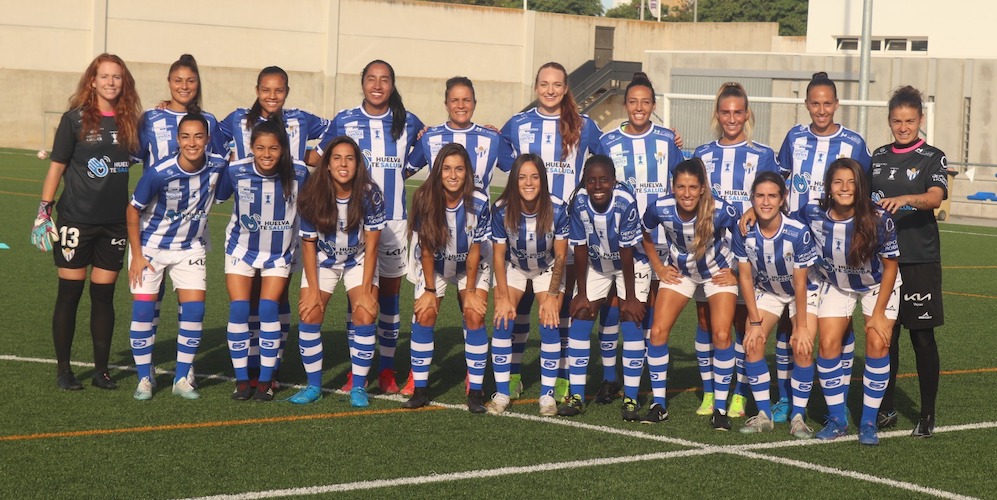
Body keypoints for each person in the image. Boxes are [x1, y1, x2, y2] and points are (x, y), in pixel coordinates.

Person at [763, 72, 873, 423]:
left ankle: (832, 400)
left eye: (827, 103)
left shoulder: (854, 142)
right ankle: (786, 397)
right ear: (807, 104)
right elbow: (780, 179)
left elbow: (865, 191)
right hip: (795, 244)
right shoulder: (795, 136)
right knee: (789, 322)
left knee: (839, 324)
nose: (821, 109)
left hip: (836, 245)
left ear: (836, 105)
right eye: (815, 103)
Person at [213, 66, 329, 388]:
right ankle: (250, 365)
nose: (272, 96)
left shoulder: (300, 120)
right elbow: (210, 132)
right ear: (257, 90)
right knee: (248, 301)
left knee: (276, 302)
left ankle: (272, 364)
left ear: (287, 92)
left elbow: (337, 128)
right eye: (266, 90)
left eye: (279, 90)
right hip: (248, 232)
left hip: (284, 234)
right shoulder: (237, 120)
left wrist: (312, 156)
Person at [32, 53, 142, 390]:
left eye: (117, 77)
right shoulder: (74, 120)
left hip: (114, 225)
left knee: (104, 297)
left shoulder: (130, 123)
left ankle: (101, 371)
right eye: (104, 76)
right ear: (92, 81)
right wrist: (43, 210)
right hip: (75, 222)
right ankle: (64, 371)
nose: (111, 82)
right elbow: (57, 167)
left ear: (124, 82)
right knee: (70, 294)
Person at [317, 60, 424, 395]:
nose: (377, 85)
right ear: (362, 82)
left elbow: (423, 154)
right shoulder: (345, 120)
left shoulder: (408, 121)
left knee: (389, 299)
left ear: (393, 84)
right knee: (357, 298)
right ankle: (356, 370)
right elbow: (321, 157)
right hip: (350, 222)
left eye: (385, 80)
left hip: (392, 223)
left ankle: (387, 369)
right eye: (371, 79)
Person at [500, 62, 603, 403]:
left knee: (559, 307)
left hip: (567, 229)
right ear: (535, 87)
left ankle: (559, 375)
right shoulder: (518, 123)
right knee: (520, 308)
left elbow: (606, 160)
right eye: (544, 84)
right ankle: (513, 375)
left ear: (565, 88)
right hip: (525, 229)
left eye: (557, 84)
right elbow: (500, 157)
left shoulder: (583, 126)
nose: (550, 90)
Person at [598, 72, 684, 415]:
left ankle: (644, 375)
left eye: (645, 102)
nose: (638, 108)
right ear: (625, 104)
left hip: (661, 241)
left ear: (653, 105)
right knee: (614, 306)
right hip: (618, 240)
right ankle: (609, 377)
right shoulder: (607, 141)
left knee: (648, 310)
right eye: (632, 102)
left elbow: (684, 181)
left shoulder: (667, 140)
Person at [798, 158, 900, 446]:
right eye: (838, 181)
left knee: (877, 342)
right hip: (836, 284)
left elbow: (891, 266)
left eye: (852, 182)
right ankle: (838, 419)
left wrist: (879, 313)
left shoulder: (879, 218)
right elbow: (781, 217)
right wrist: (753, 214)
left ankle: (868, 421)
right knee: (828, 345)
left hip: (877, 286)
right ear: (829, 186)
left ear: (861, 186)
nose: (845, 188)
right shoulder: (812, 213)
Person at [693, 82, 779, 418]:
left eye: (738, 112)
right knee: (706, 324)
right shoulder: (701, 154)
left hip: (747, 257)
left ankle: (740, 395)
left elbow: (772, 199)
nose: (732, 118)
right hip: (708, 255)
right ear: (717, 114)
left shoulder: (763, 155)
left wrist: (753, 211)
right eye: (726, 112)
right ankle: (711, 394)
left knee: (744, 325)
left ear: (747, 114)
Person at [127, 113, 227, 400]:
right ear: (178, 140)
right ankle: (145, 377)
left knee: (194, 311)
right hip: (150, 248)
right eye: (186, 137)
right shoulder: (159, 171)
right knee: (143, 312)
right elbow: (132, 210)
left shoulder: (219, 166)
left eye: (198, 136)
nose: (192, 143)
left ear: (208, 139)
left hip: (190, 248)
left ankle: (182, 377)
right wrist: (136, 255)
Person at [136, 54, 219, 387]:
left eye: (191, 80)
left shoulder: (210, 121)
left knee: (191, 305)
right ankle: (147, 371)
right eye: (178, 80)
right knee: (148, 306)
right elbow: (130, 157)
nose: (184, 87)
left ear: (198, 84)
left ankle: (186, 371)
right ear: (169, 83)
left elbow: (225, 160)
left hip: (191, 228)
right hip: (152, 228)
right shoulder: (150, 118)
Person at [641, 158, 741, 429]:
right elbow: (644, 231)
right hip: (681, 272)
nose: (686, 193)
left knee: (721, 334)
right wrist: (659, 267)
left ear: (702, 189)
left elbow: (744, 233)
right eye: (681, 187)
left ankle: (719, 409)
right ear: (672, 187)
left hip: (716, 272)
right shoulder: (660, 207)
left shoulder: (720, 209)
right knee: (658, 331)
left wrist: (736, 272)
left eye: (692, 187)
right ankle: (658, 404)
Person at [870, 86, 947, 437]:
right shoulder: (878, 155)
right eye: (897, 121)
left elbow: (935, 199)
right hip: (883, 261)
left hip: (918, 259)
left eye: (910, 121)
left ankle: (927, 414)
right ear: (889, 120)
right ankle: (885, 408)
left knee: (922, 339)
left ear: (921, 119)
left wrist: (905, 199)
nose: (903, 127)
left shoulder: (932, 157)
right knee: (887, 337)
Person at [216, 118, 309, 401]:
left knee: (269, 310)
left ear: (283, 150)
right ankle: (242, 380)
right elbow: (219, 196)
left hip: (278, 254)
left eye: (273, 148)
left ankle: (266, 381)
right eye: (259, 148)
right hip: (240, 250)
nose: (266, 154)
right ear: (251, 148)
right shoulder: (235, 171)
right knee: (239, 311)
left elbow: (310, 209)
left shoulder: (300, 173)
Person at [291, 136, 385, 407]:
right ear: (327, 165)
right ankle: (313, 386)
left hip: (359, 259)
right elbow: (308, 245)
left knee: (365, 313)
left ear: (358, 164)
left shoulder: (370, 193)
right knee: (309, 312)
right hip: (323, 259)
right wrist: (310, 288)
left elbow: (373, 244)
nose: (343, 164)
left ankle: (358, 387)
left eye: (350, 158)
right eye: (337, 158)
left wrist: (367, 291)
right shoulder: (312, 193)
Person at [559, 154, 650, 420]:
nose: (598, 185)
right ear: (584, 182)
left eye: (603, 180)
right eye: (591, 180)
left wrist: (630, 298)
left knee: (631, 319)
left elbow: (626, 250)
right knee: (581, 316)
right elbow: (581, 247)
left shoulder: (625, 202)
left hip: (630, 265)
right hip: (597, 263)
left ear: (613, 181)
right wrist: (583, 294)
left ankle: (631, 399)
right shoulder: (578, 202)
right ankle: (576, 395)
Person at [403, 143, 491, 413]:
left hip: (470, 265)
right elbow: (427, 250)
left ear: (468, 173)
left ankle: (475, 391)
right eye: (447, 169)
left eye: (459, 169)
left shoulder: (479, 201)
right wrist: (429, 289)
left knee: (474, 315)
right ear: (438, 170)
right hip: (436, 264)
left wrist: (473, 291)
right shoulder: (424, 198)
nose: (453, 175)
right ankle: (420, 389)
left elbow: (475, 251)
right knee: (425, 314)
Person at [731, 171, 820, 436]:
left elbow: (801, 284)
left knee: (802, 346)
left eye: (772, 196)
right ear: (752, 199)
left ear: (783, 199)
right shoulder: (744, 231)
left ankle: (798, 417)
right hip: (768, 290)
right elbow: (745, 277)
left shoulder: (797, 232)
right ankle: (763, 415)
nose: (766, 202)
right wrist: (755, 322)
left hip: (800, 292)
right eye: (760, 196)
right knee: (752, 341)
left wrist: (801, 326)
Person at [486, 154, 569, 416]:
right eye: (522, 177)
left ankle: (547, 396)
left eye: (534, 177)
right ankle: (502, 393)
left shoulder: (557, 208)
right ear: (514, 180)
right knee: (502, 318)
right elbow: (498, 255)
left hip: (547, 269)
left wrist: (553, 296)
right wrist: (502, 296)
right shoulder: (501, 208)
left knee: (550, 319)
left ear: (543, 180)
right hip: (515, 267)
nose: (528, 183)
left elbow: (561, 256)